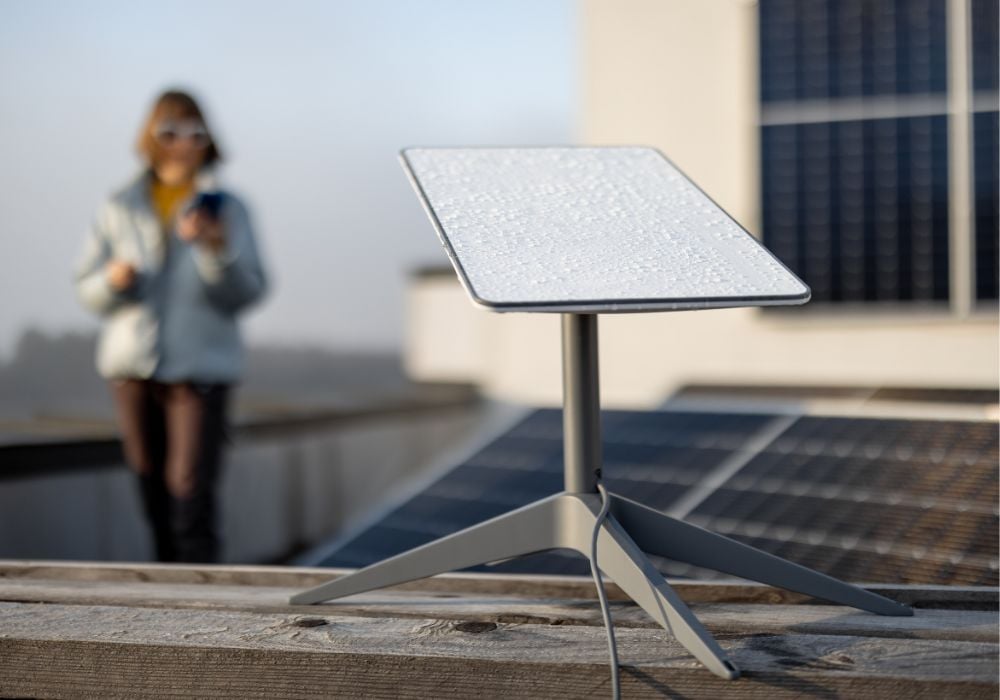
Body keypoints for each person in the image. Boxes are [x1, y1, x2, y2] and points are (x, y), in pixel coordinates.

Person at [74, 89, 268, 562]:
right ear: (151, 137)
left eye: (195, 132)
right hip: (132, 369)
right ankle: (167, 616)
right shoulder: (119, 205)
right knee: (153, 496)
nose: (183, 142)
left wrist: (216, 250)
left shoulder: (228, 208)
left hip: (201, 370)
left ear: (208, 139)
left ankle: (206, 619)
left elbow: (248, 291)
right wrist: (113, 280)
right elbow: (87, 290)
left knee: (190, 497)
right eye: (170, 131)